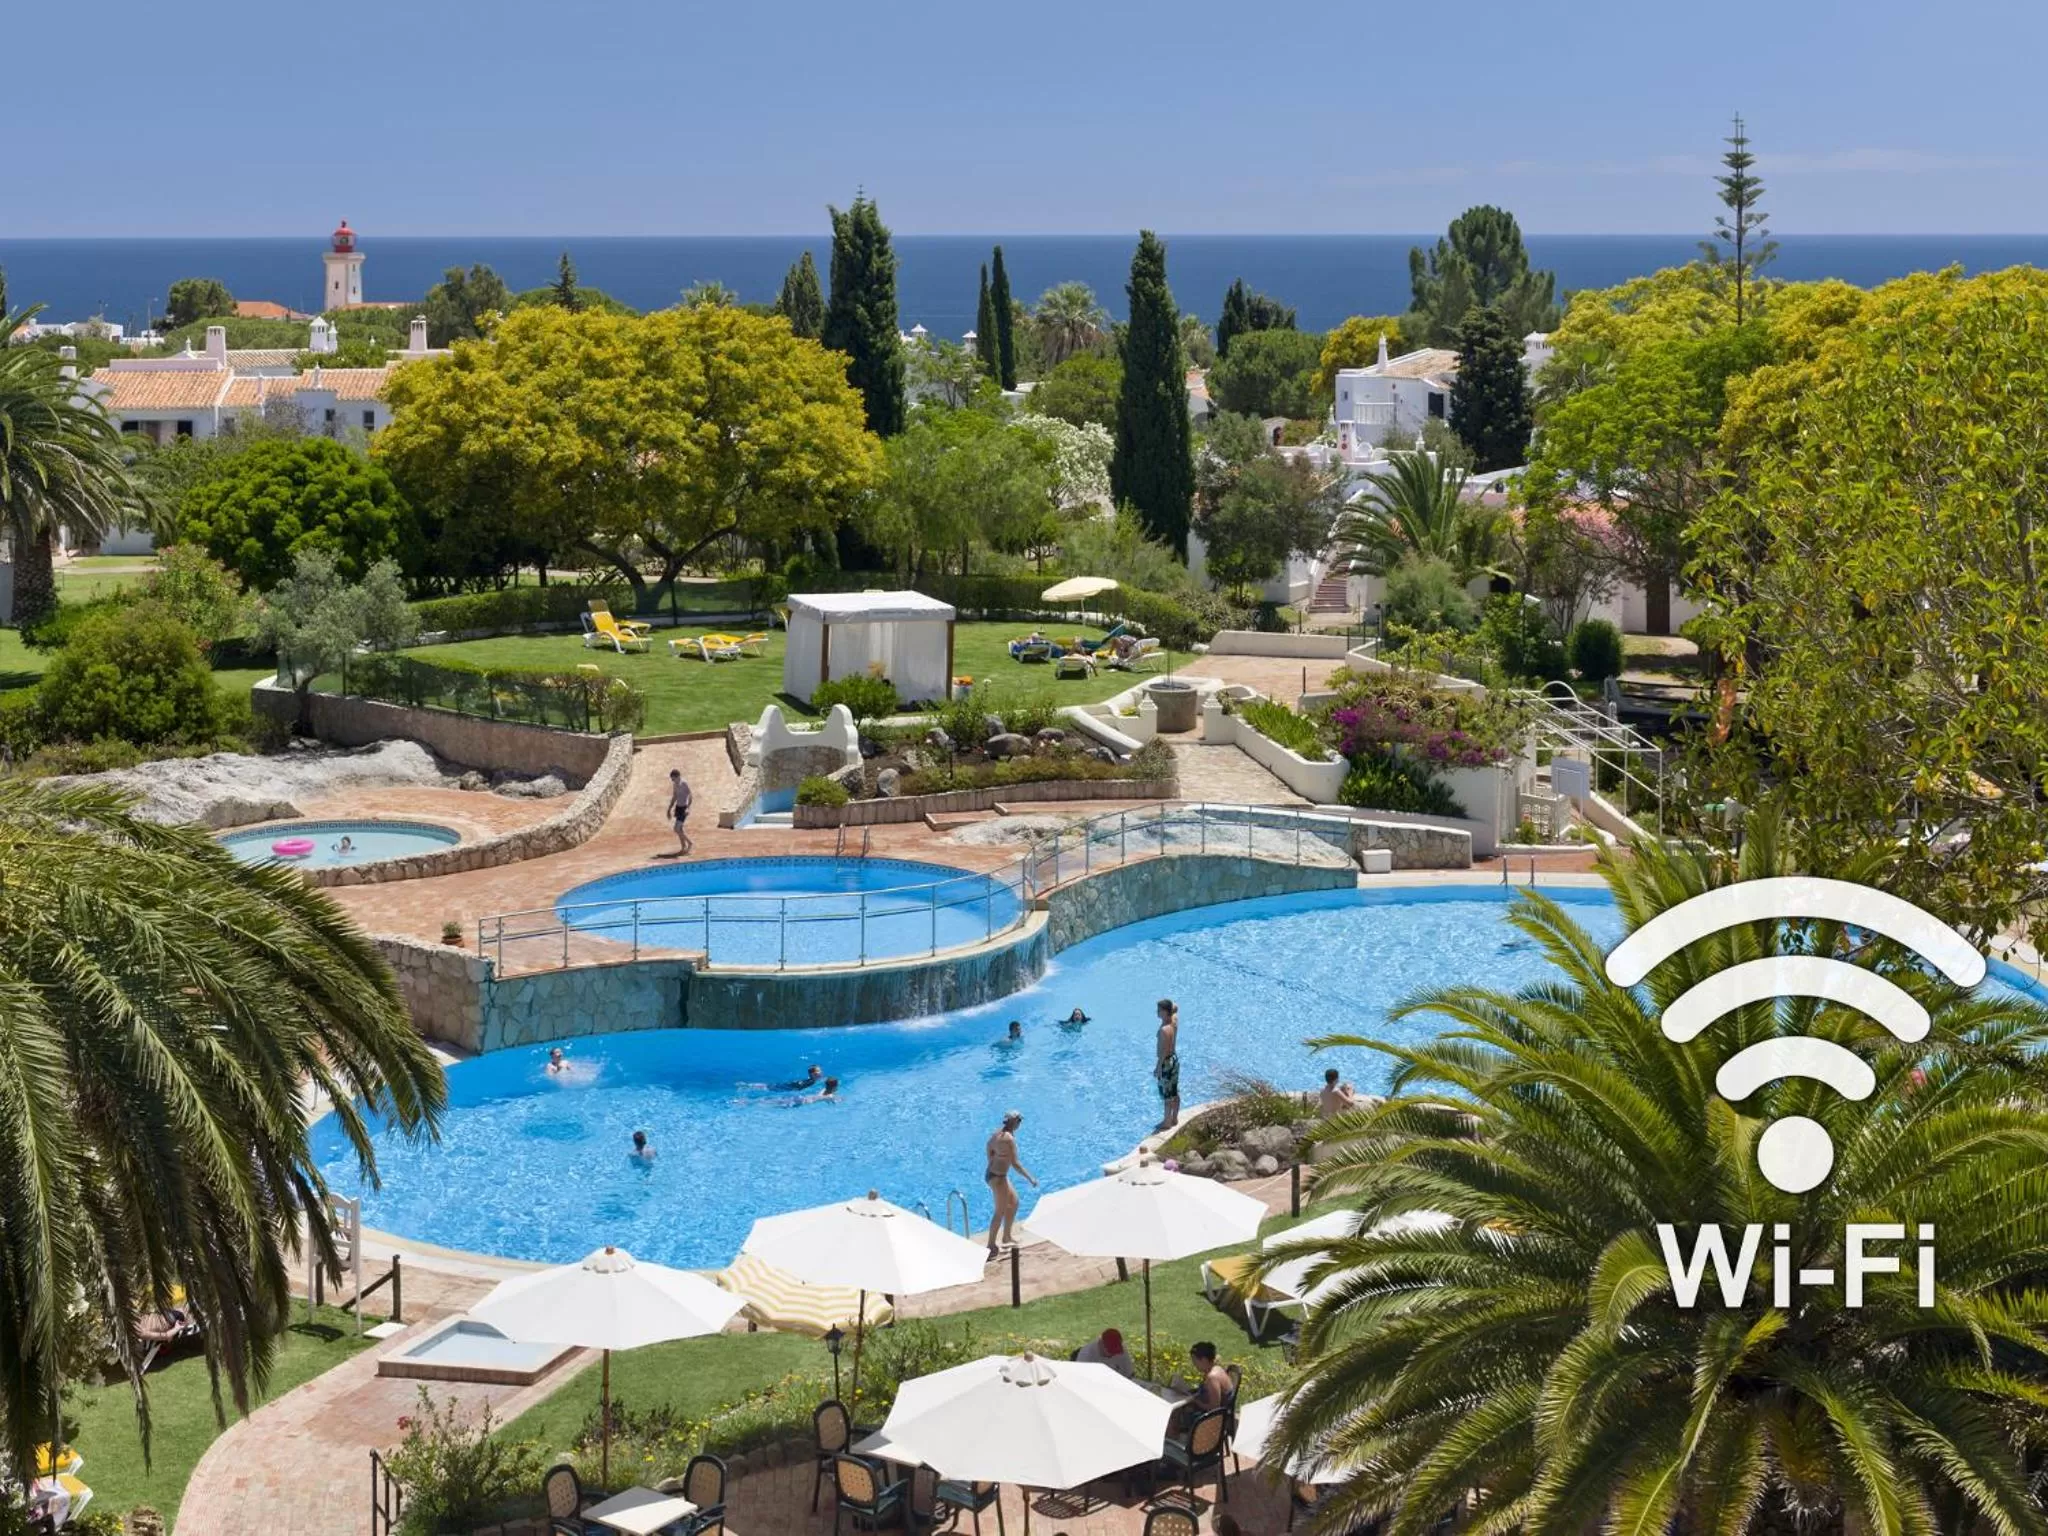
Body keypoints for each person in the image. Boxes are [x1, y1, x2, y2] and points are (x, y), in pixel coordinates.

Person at [983, 1110, 1036, 1260]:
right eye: (1019, 1121)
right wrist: (1030, 1178)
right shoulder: (1008, 1140)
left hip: (996, 1174)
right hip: (998, 1178)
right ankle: (991, 1246)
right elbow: (1015, 1164)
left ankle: (1006, 1236)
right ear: (1015, 1122)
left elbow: (989, 1147)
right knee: (999, 1212)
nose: (1020, 1124)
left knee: (1013, 1202)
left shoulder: (997, 1133)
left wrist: (991, 1161)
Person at [1154, 998, 1181, 1132]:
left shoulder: (1164, 1029)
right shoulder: (1174, 1022)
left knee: (1166, 1094)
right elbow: (1175, 1007)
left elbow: (1164, 1050)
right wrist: (1171, 1007)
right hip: (1174, 1060)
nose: (1157, 1012)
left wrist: (1158, 1067)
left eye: (1159, 1010)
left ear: (1165, 1012)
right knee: (1174, 1089)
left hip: (1166, 1062)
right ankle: (1174, 1118)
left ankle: (1166, 1122)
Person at [667, 768, 694, 856]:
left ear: (678, 776)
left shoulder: (684, 783)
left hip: (684, 808)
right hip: (678, 807)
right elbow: (674, 796)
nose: (672, 780)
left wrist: (688, 808)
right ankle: (683, 847)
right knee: (680, 829)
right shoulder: (675, 784)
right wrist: (669, 808)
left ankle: (689, 843)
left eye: (673, 778)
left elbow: (690, 796)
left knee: (676, 828)